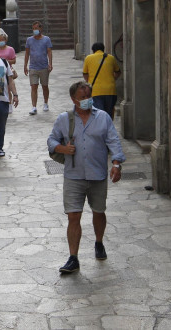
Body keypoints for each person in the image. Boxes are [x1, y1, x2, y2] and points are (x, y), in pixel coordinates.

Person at [47, 81, 125, 274]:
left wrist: (116, 163)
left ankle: (99, 242)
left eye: (89, 96)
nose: (87, 100)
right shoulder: (64, 119)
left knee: (99, 211)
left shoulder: (103, 118)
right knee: (73, 216)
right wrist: (61, 148)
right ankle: (73, 257)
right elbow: (51, 140)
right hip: (73, 176)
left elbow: (113, 140)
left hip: (97, 174)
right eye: (83, 98)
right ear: (74, 99)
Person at [82, 42, 122, 120]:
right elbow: (118, 72)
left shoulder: (88, 58)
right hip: (110, 90)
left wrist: (89, 82)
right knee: (109, 112)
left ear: (93, 50)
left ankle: (101, 129)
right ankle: (108, 128)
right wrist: (113, 79)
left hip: (96, 90)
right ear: (103, 50)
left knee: (99, 113)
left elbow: (85, 74)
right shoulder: (111, 58)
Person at [24, 21, 53, 114]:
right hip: (33, 67)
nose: (35, 30)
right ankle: (34, 106)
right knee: (34, 86)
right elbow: (27, 53)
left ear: (41, 28)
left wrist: (50, 63)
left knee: (45, 86)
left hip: (44, 66)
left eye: (36, 28)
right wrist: (25, 65)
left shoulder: (46, 39)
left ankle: (45, 102)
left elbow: (49, 51)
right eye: (33, 28)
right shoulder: (29, 40)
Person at [0, 33, 18, 113]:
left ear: (6, 40)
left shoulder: (10, 49)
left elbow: (14, 60)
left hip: (8, 70)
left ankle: (9, 105)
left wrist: (5, 61)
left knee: (9, 88)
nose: (1, 41)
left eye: (2, 40)